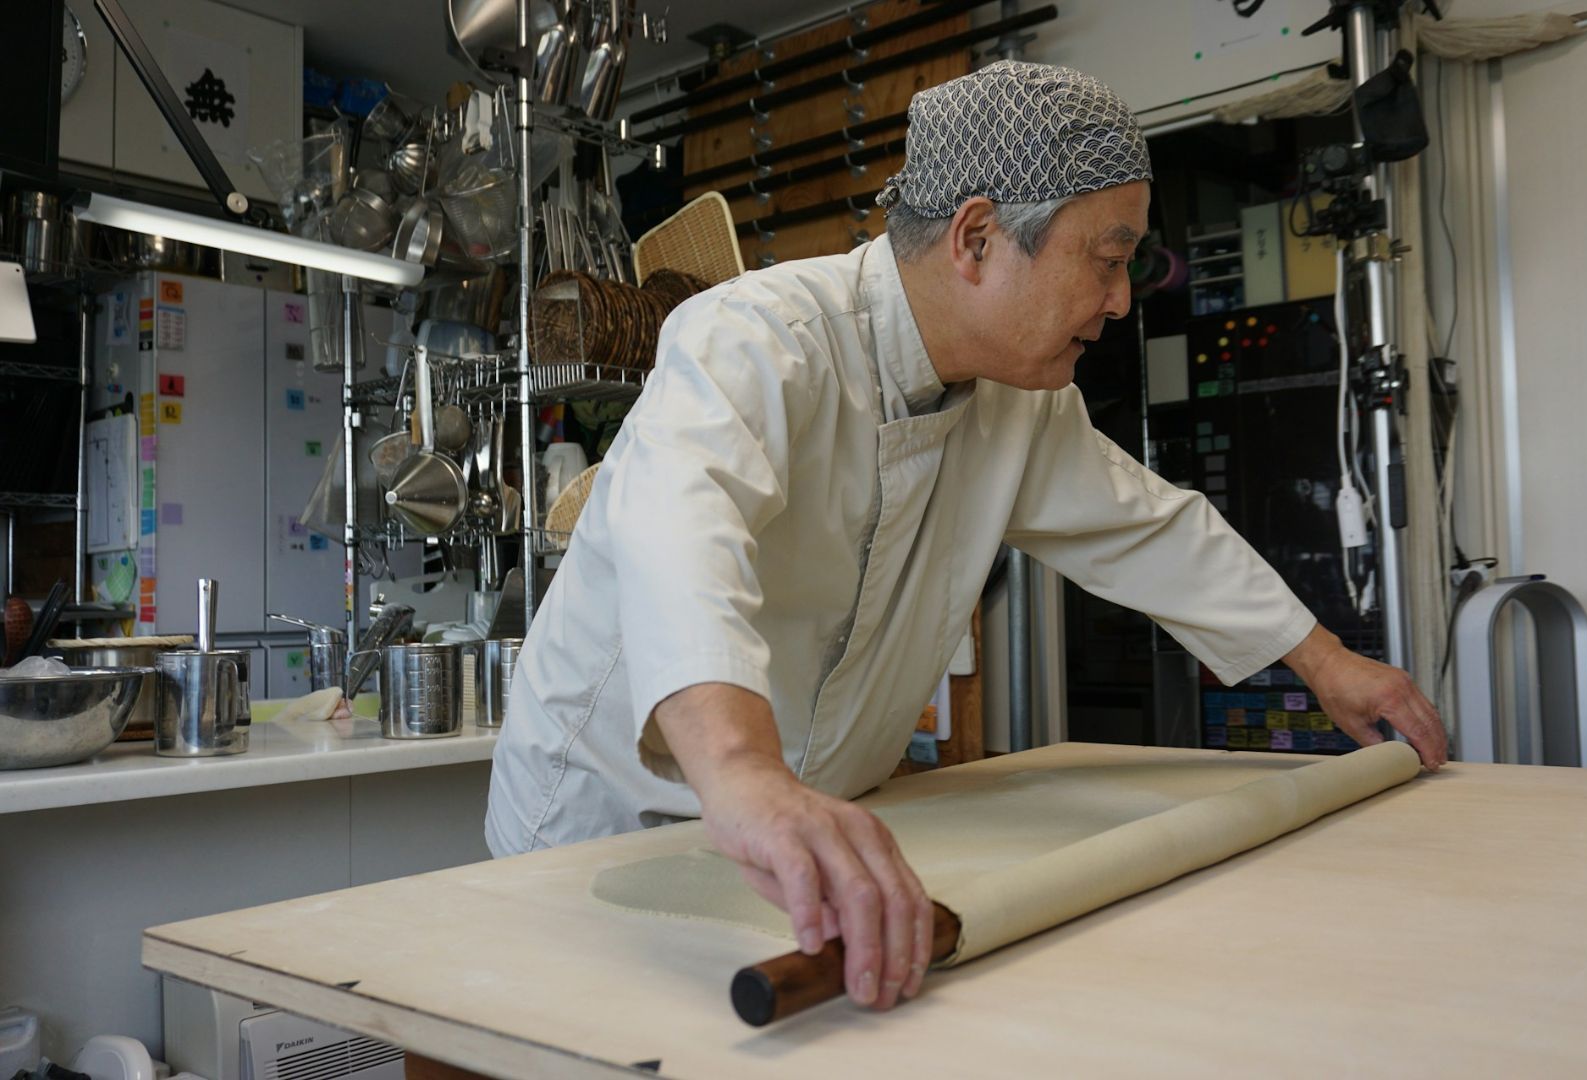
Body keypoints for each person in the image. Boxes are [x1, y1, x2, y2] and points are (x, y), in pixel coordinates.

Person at [488, 60, 1446, 1013]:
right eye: (1107, 260)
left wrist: (1327, 665)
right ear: (978, 237)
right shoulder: (756, 336)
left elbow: (1152, 529)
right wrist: (744, 773)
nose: (1119, 301)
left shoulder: (1016, 403)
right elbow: (680, 540)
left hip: (807, 828)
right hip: (610, 820)